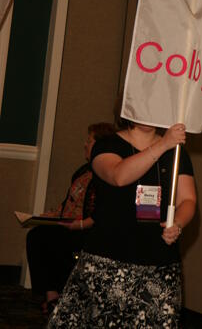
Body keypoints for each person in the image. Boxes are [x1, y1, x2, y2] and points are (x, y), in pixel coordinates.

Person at [48, 119, 197, 328]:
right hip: (107, 264)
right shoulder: (106, 145)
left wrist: (178, 223)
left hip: (158, 266)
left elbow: (188, 200)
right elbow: (119, 176)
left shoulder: (177, 152)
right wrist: (163, 144)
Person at [26, 121, 115, 316]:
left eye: (89, 141)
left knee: (51, 240)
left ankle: (66, 300)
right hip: (70, 225)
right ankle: (52, 297)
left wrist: (79, 225)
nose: (85, 144)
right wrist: (46, 216)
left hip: (90, 231)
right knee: (37, 235)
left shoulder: (106, 174)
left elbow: (103, 213)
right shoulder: (83, 171)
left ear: (101, 146)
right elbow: (68, 203)